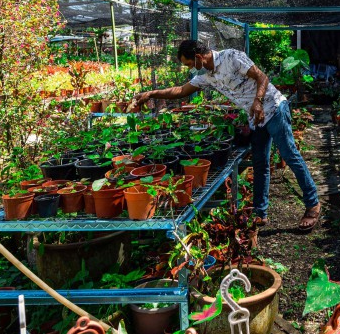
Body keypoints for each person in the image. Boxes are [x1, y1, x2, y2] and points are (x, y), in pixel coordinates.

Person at [132, 41, 321, 231]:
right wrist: (151, 93)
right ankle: (260, 213)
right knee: (260, 163)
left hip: (273, 107)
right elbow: (181, 90)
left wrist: (258, 102)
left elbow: (262, 77)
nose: (189, 69)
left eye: (189, 64)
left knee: (289, 155)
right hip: (255, 117)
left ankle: (313, 204)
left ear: (198, 57)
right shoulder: (207, 76)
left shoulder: (231, 57)